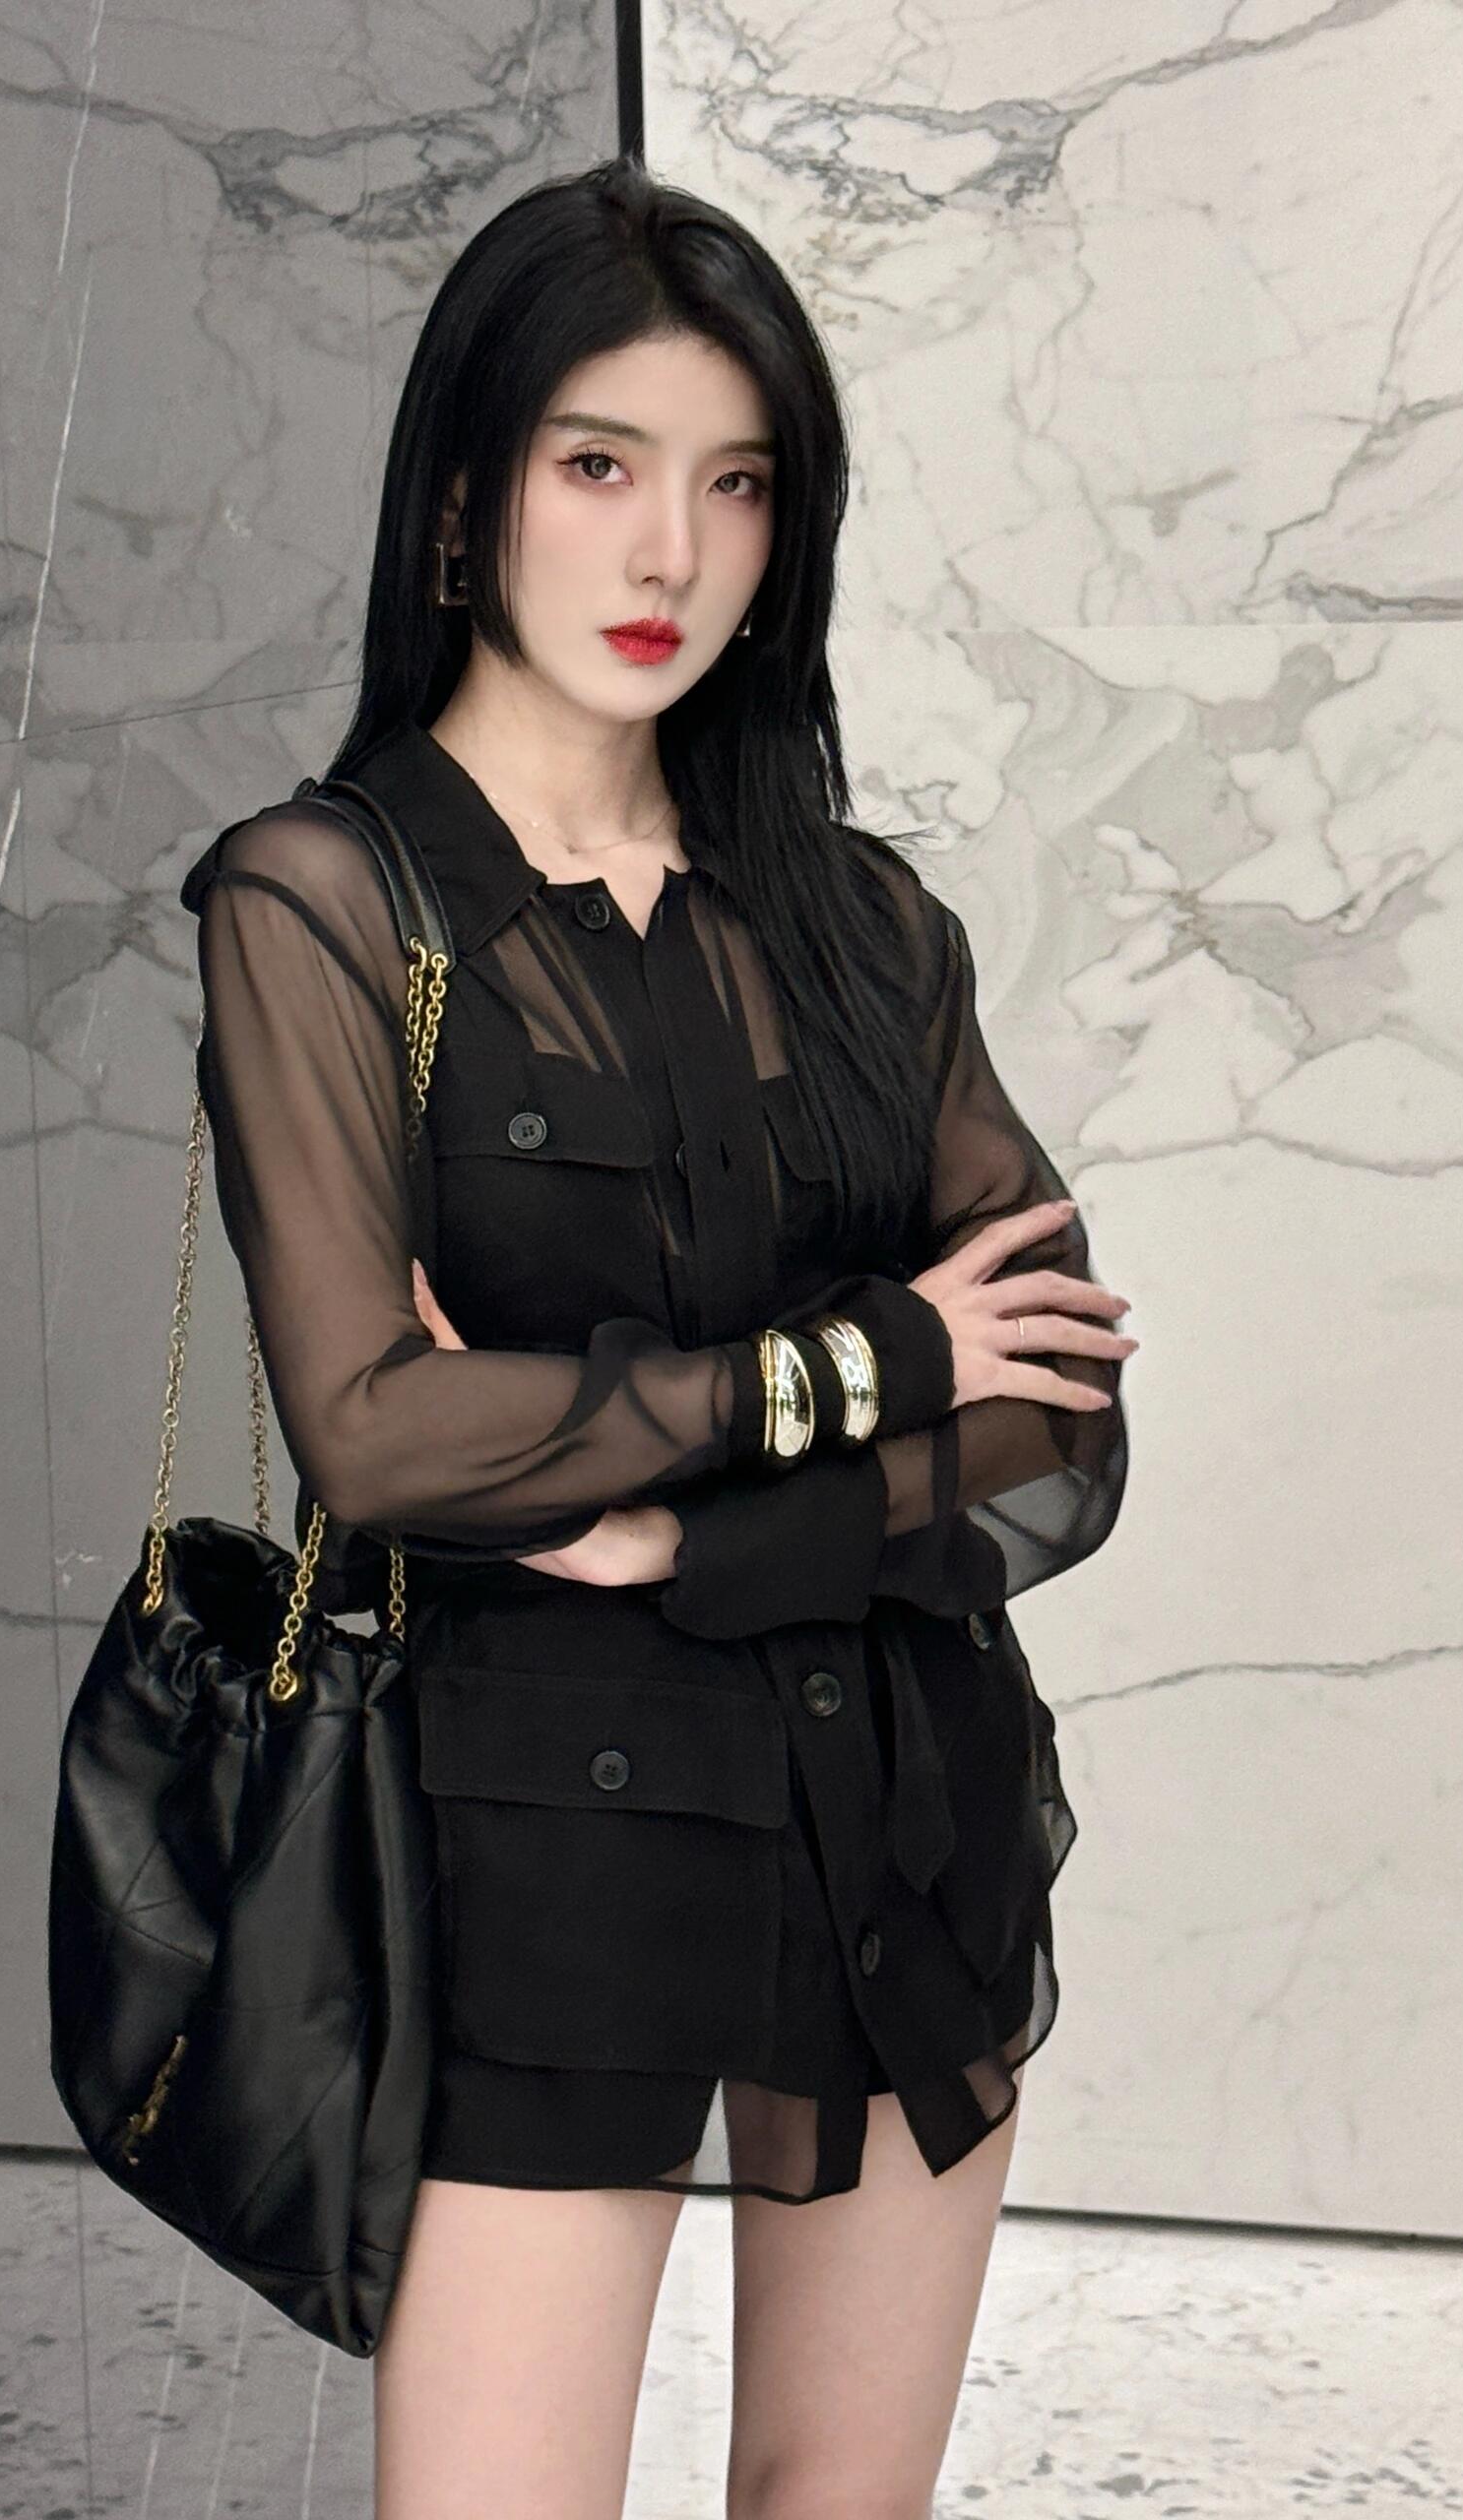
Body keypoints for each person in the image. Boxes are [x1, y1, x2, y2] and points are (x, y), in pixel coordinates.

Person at [179, 154, 1134, 2520]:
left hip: (899, 1795)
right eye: (601, 464)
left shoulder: (865, 924)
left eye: (738, 483)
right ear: (464, 500)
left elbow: (1061, 1412)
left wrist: (674, 1530)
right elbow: (381, 1429)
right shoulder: (328, 900)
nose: (671, 552)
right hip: (544, 1848)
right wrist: (860, 1364)